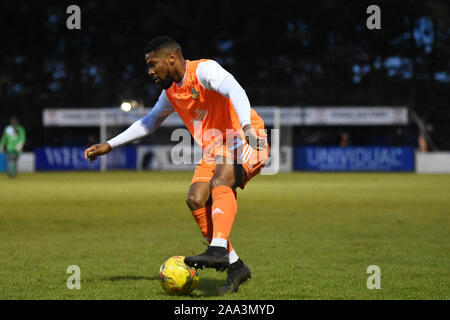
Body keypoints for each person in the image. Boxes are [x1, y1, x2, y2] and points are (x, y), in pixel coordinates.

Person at [84, 36, 269, 295]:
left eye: (152, 64)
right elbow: (149, 122)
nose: (150, 71)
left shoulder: (204, 70)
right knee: (195, 198)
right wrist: (110, 144)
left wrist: (248, 127)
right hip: (215, 150)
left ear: (171, 58)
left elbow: (235, 89)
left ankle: (217, 249)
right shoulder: (170, 93)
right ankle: (236, 266)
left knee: (220, 181)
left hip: (245, 138)